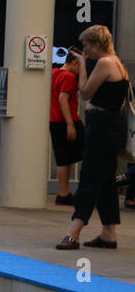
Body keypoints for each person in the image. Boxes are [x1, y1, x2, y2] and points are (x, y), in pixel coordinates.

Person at [57, 25, 125, 250]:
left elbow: (85, 92)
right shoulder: (117, 62)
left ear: (97, 44)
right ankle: (109, 233)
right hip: (112, 126)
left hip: (102, 126)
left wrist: (84, 65)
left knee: (89, 178)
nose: (84, 50)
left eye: (86, 45)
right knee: (105, 181)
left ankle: (73, 232)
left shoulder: (105, 63)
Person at [50, 49, 84, 206]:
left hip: (55, 121)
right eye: (81, 66)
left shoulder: (54, 73)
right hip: (68, 120)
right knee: (90, 153)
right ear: (75, 62)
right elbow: (64, 99)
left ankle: (63, 193)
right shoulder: (69, 77)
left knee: (63, 159)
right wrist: (70, 124)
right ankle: (83, 191)